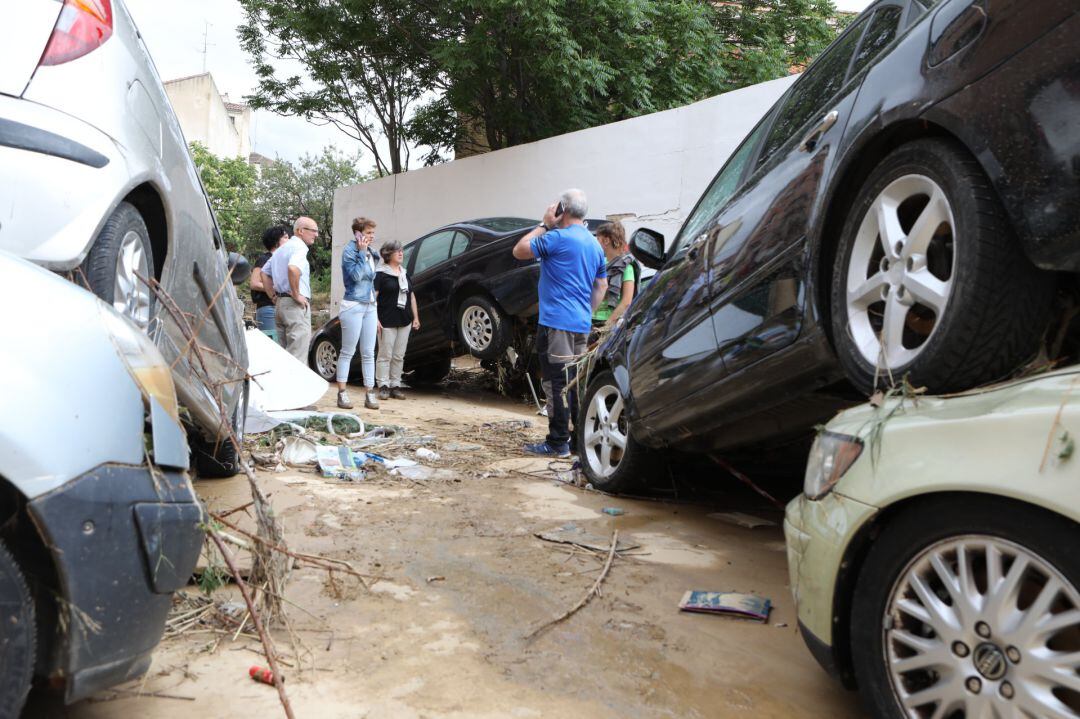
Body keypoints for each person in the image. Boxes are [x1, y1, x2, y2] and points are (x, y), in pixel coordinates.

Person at [512, 189, 607, 458]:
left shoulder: (556, 238)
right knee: (575, 383)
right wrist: (585, 312)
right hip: (580, 324)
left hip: (556, 323)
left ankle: (557, 442)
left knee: (557, 383)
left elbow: (519, 250)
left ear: (561, 209)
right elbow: (601, 285)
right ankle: (578, 442)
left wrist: (544, 224)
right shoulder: (593, 244)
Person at [337, 216, 380, 410]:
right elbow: (355, 276)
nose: (372, 236)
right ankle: (342, 393)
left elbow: (371, 280)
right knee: (348, 351)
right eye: (368, 233)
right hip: (353, 304)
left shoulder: (372, 252)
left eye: (372, 232)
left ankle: (369, 393)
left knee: (369, 352)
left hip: (370, 304)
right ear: (358, 234)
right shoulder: (349, 251)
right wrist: (362, 253)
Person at [266, 217, 318, 363]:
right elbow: (293, 268)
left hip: (280, 304)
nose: (316, 234)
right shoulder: (300, 247)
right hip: (294, 306)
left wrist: (272, 295)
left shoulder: (281, 249)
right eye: (313, 230)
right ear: (301, 231)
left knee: (285, 356)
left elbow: (264, 272)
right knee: (298, 359)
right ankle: (297, 386)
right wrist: (296, 294)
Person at [374, 240, 420, 400]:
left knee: (399, 355)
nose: (401, 253)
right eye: (397, 251)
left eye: (401, 251)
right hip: (386, 320)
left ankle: (395, 385)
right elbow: (373, 299)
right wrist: (375, 320)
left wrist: (415, 317)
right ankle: (383, 386)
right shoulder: (380, 274)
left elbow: (411, 296)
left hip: (404, 320)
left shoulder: (404, 273)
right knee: (385, 355)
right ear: (388, 254)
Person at [592, 221, 639, 328]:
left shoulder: (626, 267)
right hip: (589, 319)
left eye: (598, 239)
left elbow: (626, 301)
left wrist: (607, 326)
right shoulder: (599, 262)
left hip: (607, 323)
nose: (595, 243)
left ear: (606, 241)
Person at [250, 225, 289, 339]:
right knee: (271, 345)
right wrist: (276, 288)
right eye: (286, 237)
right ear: (276, 241)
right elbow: (254, 283)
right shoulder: (264, 259)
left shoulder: (283, 260)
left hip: (282, 307)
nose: (289, 240)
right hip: (268, 308)